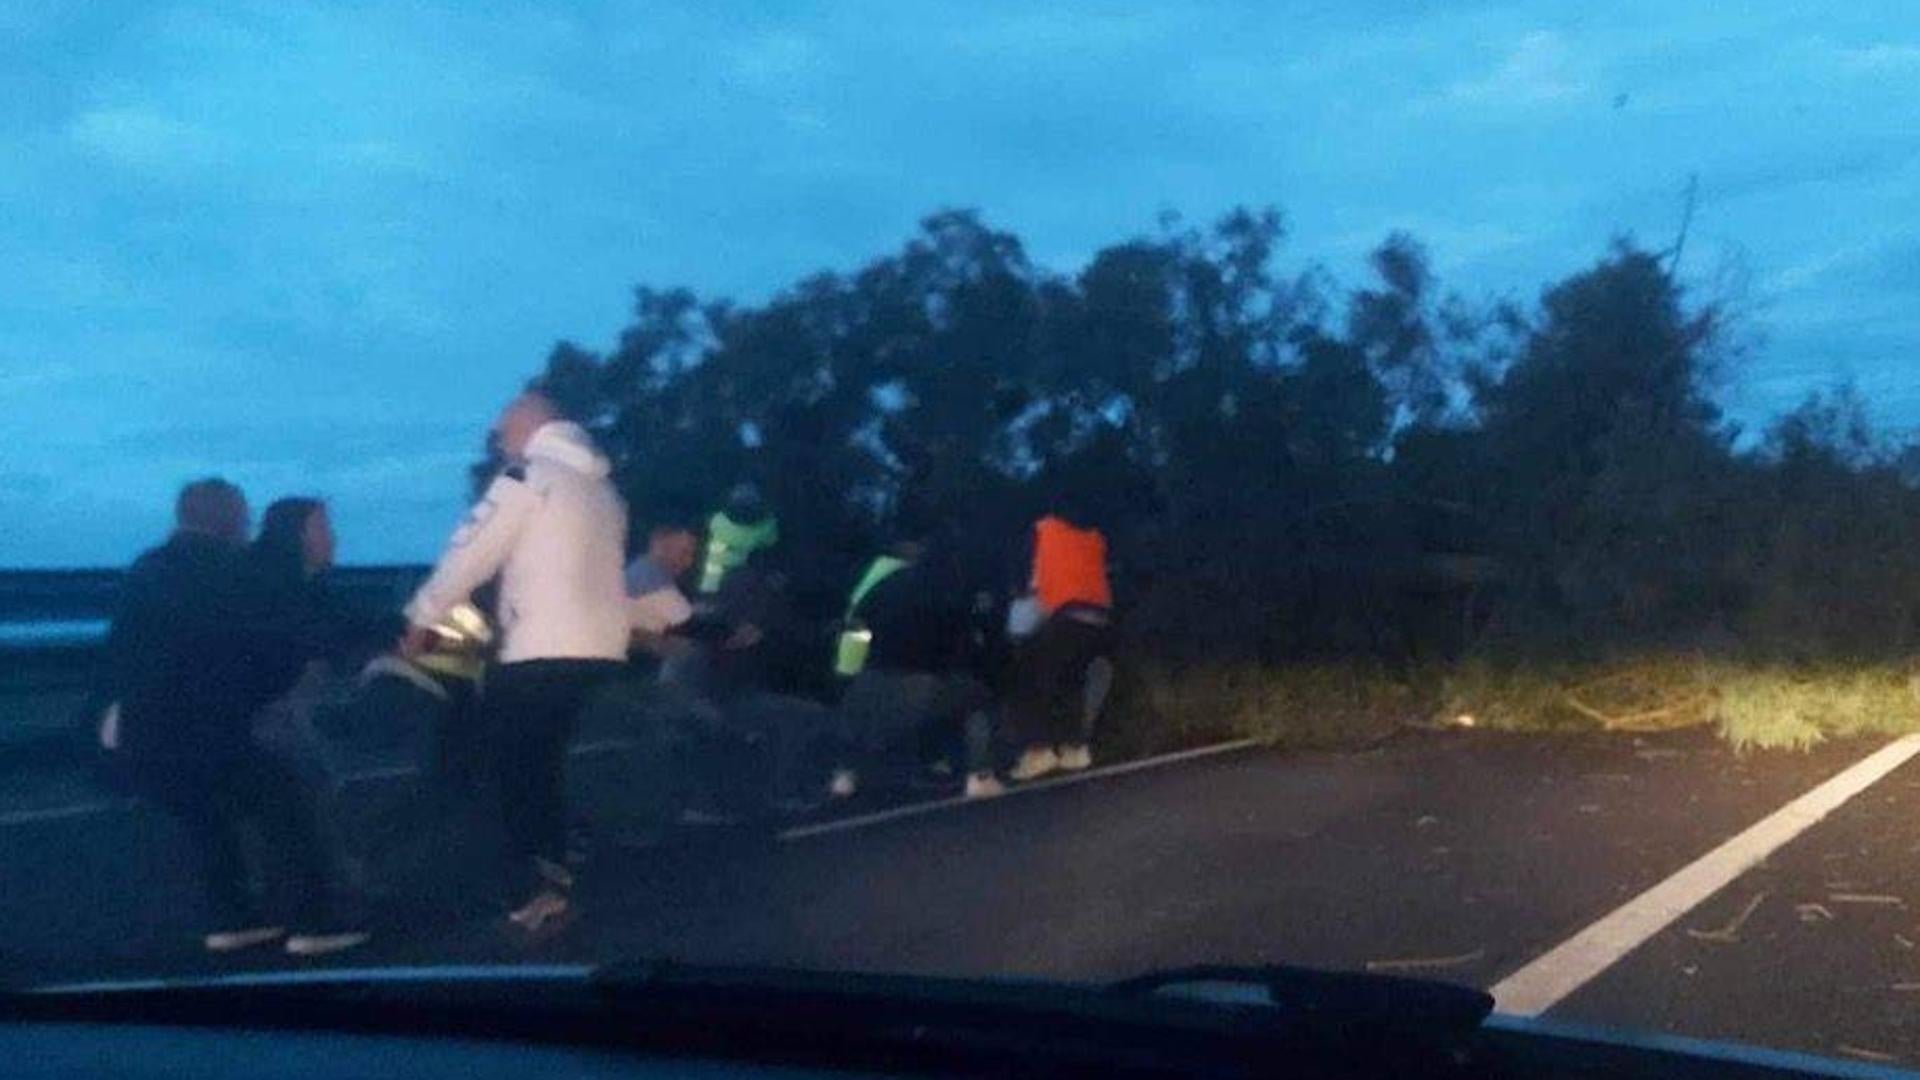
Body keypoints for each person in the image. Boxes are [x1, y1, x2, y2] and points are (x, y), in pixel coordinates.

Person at [103, 478, 368, 957]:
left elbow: (120, 654)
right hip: (204, 730)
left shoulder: (146, 569)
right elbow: (266, 646)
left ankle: (233, 918)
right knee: (286, 803)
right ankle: (316, 923)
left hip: (143, 735)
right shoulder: (232, 572)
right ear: (229, 520)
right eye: (242, 517)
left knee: (208, 818)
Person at [400, 390, 629, 935]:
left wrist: (422, 614)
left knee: (494, 767)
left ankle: (527, 885)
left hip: (537, 647)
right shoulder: (604, 491)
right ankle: (553, 869)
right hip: (596, 649)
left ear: (530, 427)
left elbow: (473, 549)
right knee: (539, 764)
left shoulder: (529, 477)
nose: (499, 436)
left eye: (504, 426)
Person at [833, 528, 1003, 800]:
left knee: (866, 715)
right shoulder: (951, 592)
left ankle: (845, 774)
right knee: (976, 697)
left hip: (868, 682)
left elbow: (857, 623)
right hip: (917, 686)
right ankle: (979, 776)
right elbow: (962, 649)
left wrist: (848, 672)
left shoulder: (891, 581)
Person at [1006, 504, 1115, 782]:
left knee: (1031, 677)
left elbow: (1023, 579)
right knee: (1071, 680)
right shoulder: (1093, 535)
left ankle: (1038, 750)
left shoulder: (1042, 530)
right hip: (1100, 617)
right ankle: (1075, 748)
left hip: (1065, 612)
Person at [695, 483, 779, 597]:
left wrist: (707, 593)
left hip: (740, 568)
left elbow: (712, 569)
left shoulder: (718, 524)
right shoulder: (768, 525)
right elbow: (771, 544)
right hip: (740, 571)